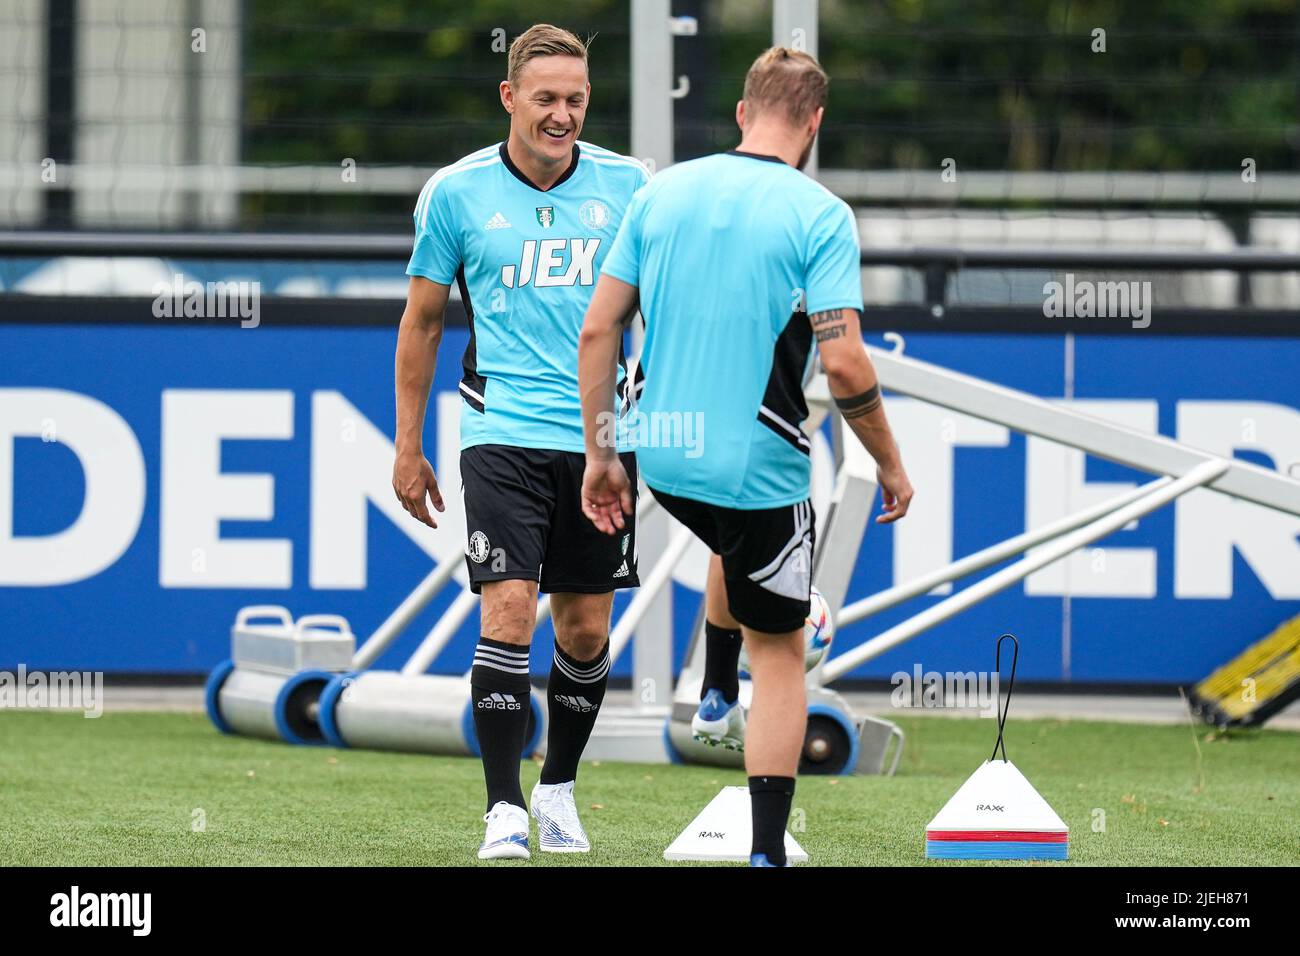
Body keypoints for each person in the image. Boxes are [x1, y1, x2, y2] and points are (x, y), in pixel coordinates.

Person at [578, 46, 913, 866]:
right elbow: (845, 365)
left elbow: (597, 329)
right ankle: (766, 850)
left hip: (661, 449)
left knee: (736, 539)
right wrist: (893, 465)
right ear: (816, 123)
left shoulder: (660, 192)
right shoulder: (821, 214)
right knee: (786, 651)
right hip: (756, 461)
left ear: (741, 111)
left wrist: (603, 453)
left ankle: (715, 690)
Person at [392, 23, 648, 860]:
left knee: (584, 631)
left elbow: (666, 308)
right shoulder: (456, 194)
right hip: (500, 433)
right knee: (508, 609)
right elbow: (424, 323)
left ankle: (559, 789)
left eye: (576, 99)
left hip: (602, 441)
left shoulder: (632, 187)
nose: (563, 114)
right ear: (510, 97)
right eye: (547, 99)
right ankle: (503, 809)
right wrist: (408, 444)